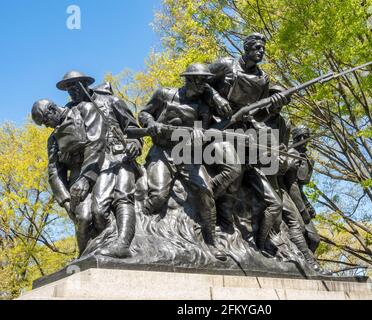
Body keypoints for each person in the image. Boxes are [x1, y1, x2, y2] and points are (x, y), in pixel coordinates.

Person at [207, 33, 290, 255]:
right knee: (232, 171)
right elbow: (198, 82)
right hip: (215, 126)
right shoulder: (225, 64)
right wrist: (217, 99)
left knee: (236, 183)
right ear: (246, 48)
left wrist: (272, 107)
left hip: (243, 133)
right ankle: (202, 204)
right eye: (256, 47)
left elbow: (258, 114)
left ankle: (228, 227)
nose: (260, 51)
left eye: (263, 48)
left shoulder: (263, 79)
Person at [138, 63, 227, 261]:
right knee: (158, 196)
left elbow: (202, 137)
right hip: (162, 151)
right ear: (188, 79)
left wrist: (199, 136)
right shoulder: (164, 94)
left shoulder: (203, 108)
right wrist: (151, 123)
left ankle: (211, 241)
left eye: (206, 80)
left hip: (187, 154)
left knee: (206, 193)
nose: (204, 84)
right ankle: (138, 235)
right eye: (200, 80)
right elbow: (143, 113)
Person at [56, 70, 143, 258]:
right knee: (97, 212)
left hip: (120, 158)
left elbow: (133, 129)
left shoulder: (112, 101)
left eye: (75, 85)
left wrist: (135, 143)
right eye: (68, 88)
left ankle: (123, 244)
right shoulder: (70, 112)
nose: (72, 91)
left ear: (86, 83)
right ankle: (96, 249)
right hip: (93, 166)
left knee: (123, 197)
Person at [31, 98, 106, 255]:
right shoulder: (53, 139)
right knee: (83, 219)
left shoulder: (84, 110)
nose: (46, 125)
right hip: (77, 178)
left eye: (45, 120)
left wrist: (86, 176)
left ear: (52, 109)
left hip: (101, 168)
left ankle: (108, 249)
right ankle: (84, 257)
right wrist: (65, 200)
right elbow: (54, 172)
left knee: (101, 213)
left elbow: (96, 142)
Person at [284, 125, 321, 254]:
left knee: (314, 240)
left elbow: (301, 184)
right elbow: (291, 184)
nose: (303, 139)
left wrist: (307, 204)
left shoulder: (306, 158)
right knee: (302, 232)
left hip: (299, 197)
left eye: (305, 137)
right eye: (299, 137)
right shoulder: (289, 154)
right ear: (293, 139)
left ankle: (309, 264)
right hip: (287, 197)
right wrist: (302, 209)